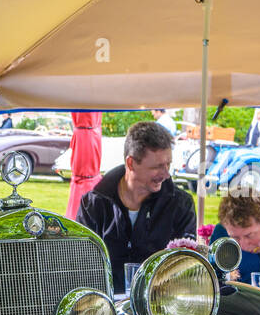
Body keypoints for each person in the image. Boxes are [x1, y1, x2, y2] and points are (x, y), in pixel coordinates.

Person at [76, 120, 196, 293]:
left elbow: (186, 266)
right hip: (104, 309)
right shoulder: (93, 204)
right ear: (131, 163)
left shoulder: (181, 204)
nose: (166, 174)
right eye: (157, 167)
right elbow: (81, 263)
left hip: (159, 309)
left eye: (168, 164)